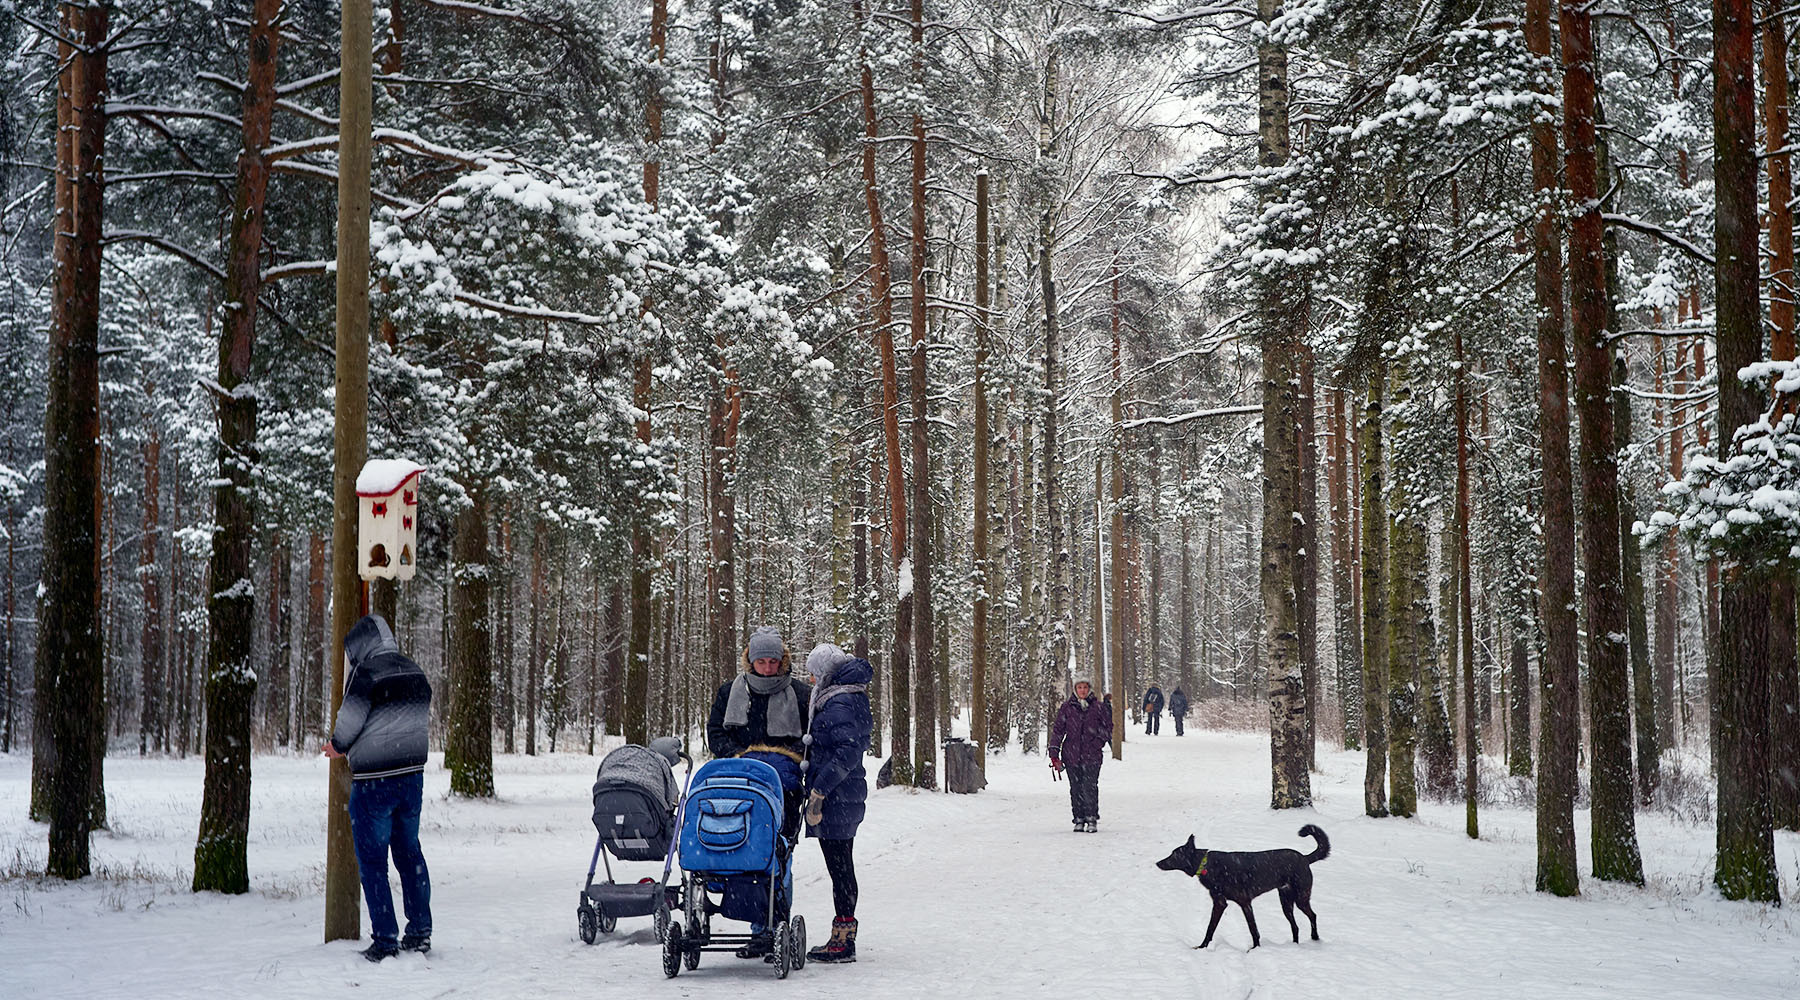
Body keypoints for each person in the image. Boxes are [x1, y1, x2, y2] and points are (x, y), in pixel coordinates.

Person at [322, 614, 433, 963]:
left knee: (372, 862)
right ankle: (419, 931)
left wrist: (337, 746)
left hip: (374, 783)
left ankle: (385, 939)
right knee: (409, 853)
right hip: (412, 778)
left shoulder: (366, 674)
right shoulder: (414, 670)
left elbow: (350, 721)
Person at [706, 625, 813, 959]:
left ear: (783, 661)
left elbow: (808, 738)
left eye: (773, 661)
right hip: (740, 782)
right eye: (761, 661)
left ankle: (773, 927)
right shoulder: (730, 692)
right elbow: (716, 734)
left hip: (785, 786)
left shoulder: (799, 694)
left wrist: (783, 758)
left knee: (778, 855)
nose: (767, 667)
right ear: (750, 662)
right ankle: (758, 928)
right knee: (743, 851)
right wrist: (741, 757)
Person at [800, 643, 872, 964]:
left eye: (814, 675)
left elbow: (846, 752)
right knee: (842, 867)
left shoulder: (838, 702)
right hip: (845, 797)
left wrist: (820, 791)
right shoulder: (847, 696)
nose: (812, 681)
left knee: (840, 868)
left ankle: (843, 941)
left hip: (837, 798)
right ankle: (843, 935)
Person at [1049, 679, 1113, 833]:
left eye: (1085, 687)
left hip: (1092, 756)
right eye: (1079, 687)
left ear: (1089, 689)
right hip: (1071, 755)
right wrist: (1054, 752)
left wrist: (1097, 742)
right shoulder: (1067, 708)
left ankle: (1091, 817)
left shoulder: (1098, 707)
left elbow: (1107, 727)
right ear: (1075, 689)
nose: (1082, 690)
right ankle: (1078, 818)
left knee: (1089, 787)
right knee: (1076, 788)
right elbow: (1058, 730)